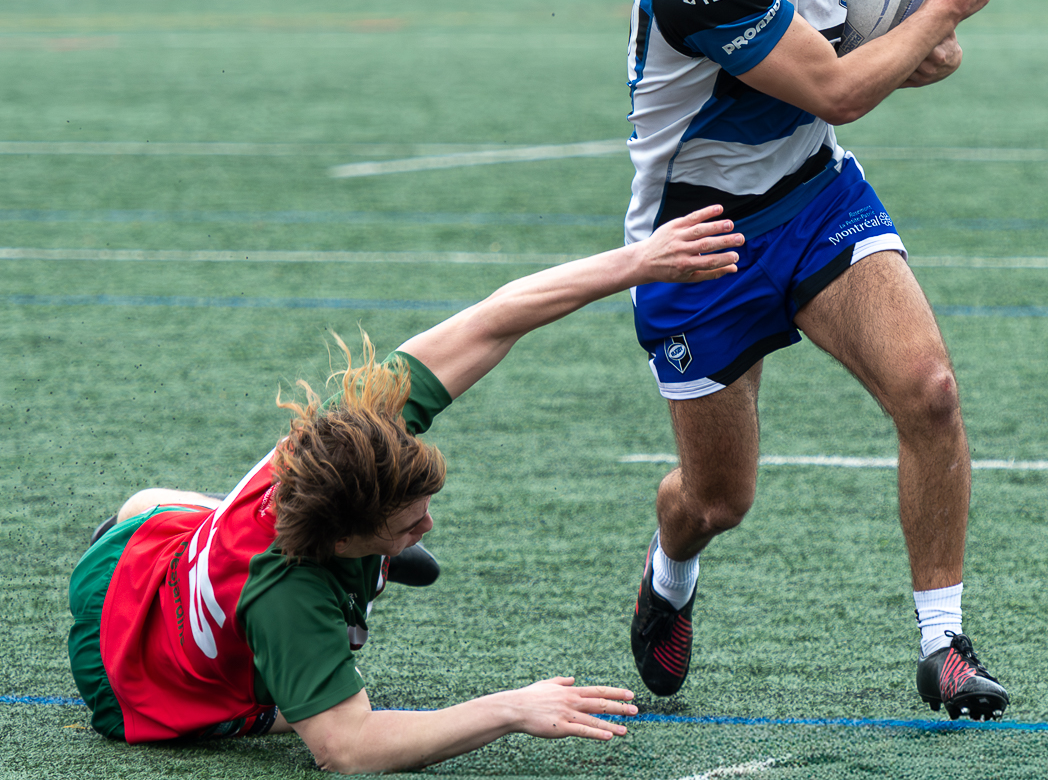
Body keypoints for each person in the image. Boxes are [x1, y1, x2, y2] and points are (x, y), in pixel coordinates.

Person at [622, 0, 1010, 721]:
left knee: (928, 391)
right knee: (718, 502)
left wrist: (932, 36)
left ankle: (945, 645)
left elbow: (886, 54)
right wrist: (946, 7)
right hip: (697, 242)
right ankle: (671, 569)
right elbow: (837, 86)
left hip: (815, 197)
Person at [69, 206, 744, 774]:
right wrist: (511, 708)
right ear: (338, 540)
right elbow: (349, 750)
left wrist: (640, 260)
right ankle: (245, 619)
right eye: (405, 526)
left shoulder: (360, 423)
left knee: (151, 508)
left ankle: (188, 542)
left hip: (142, 555)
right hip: (131, 681)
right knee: (306, 711)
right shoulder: (291, 596)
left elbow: (494, 318)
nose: (428, 526)